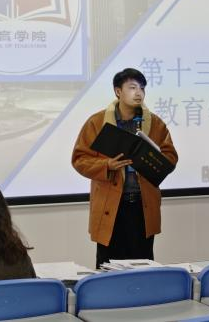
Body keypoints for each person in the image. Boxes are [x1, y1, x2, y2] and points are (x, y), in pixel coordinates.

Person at [72, 68, 178, 268]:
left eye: (142, 88)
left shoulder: (155, 124)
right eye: (132, 87)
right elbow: (79, 158)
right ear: (118, 91)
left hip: (142, 206)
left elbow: (170, 157)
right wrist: (106, 165)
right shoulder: (97, 122)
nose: (139, 93)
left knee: (143, 267)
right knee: (108, 268)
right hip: (110, 206)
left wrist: (151, 158)